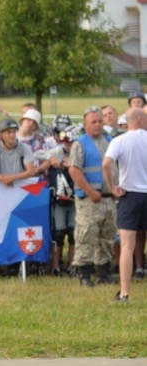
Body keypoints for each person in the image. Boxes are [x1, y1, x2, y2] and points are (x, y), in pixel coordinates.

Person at [68, 107, 116, 288]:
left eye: (99, 121)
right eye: (93, 122)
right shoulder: (80, 144)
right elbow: (74, 170)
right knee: (86, 236)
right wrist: (89, 191)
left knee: (107, 236)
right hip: (89, 200)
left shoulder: (110, 141)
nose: (97, 125)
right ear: (85, 125)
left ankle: (103, 272)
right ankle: (83, 273)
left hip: (109, 198)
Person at [103, 107, 147, 302]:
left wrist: (112, 187)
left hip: (129, 195)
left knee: (127, 246)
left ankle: (125, 292)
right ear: (138, 119)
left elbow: (106, 163)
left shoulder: (119, 141)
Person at [45, 119, 77, 276]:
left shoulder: (80, 153)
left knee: (73, 232)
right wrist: (50, 160)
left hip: (76, 198)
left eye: (71, 141)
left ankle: (72, 265)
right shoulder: (57, 152)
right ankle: (55, 266)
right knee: (58, 233)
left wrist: (73, 166)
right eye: (66, 141)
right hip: (59, 198)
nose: (68, 144)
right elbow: (40, 158)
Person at [0, 118, 37, 187]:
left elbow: (31, 171)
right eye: (9, 132)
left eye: (14, 132)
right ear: (1, 134)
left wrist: (12, 177)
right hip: (1, 187)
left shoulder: (24, 148)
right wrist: (2, 178)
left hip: (22, 187)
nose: (12, 135)